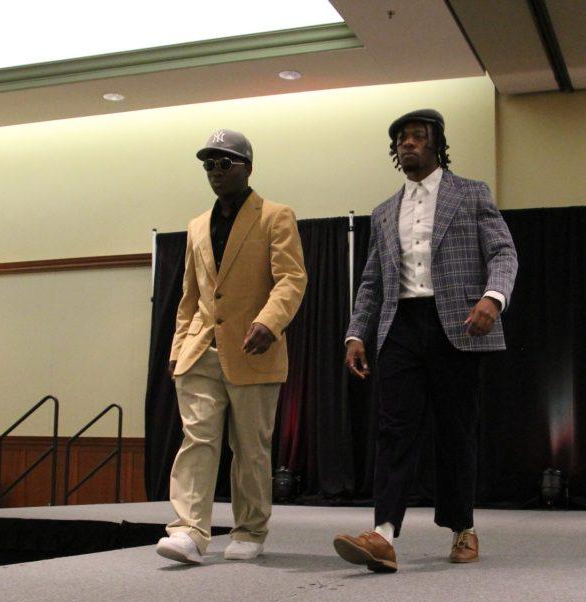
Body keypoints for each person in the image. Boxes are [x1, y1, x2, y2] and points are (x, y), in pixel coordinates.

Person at [334, 109, 518, 573]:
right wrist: (357, 331)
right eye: (401, 139)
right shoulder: (382, 212)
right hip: (401, 326)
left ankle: (462, 528)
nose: (408, 144)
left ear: (437, 144)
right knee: (393, 429)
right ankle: (383, 534)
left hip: (457, 324)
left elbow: (502, 251)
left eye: (418, 137)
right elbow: (373, 280)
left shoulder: (471, 193)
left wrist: (493, 298)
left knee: (455, 432)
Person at [158, 130, 308, 565]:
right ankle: (188, 530)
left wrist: (270, 321)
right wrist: (177, 347)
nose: (216, 172)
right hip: (200, 349)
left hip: (253, 347)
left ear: (248, 168)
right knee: (197, 439)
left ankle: (249, 529)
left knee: (250, 447)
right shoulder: (196, 226)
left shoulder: (275, 216)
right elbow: (190, 296)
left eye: (225, 163)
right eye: (209, 164)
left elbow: (291, 279)